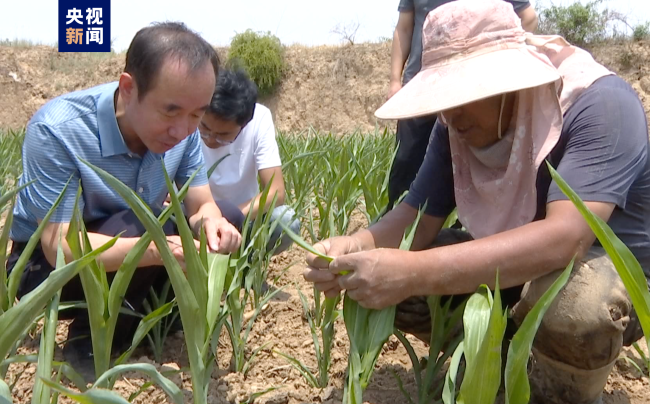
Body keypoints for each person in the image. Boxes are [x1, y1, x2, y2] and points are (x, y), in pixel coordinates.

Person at [304, 1, 649, 403]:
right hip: (514, 271)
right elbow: (414, 218)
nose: (452, 114)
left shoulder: (597, 105)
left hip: (600, 278)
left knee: (578, 308)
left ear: (510, 79)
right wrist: (357, 245)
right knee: (390, 281)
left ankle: (559, 389)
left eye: (464, 95)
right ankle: (501, 363)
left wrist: (411, 271)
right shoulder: (456, 123)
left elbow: (564, 239)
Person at [7, 22, 241, 377]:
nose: (183, 130)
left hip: (134, 240)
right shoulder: (58, 129)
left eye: (197, 114)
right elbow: (59, 248)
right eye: (171, 111)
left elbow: (201, 205)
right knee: (140, 223)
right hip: (46, 268)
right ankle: (90, 338)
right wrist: (160, 248)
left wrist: (214, 224)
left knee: (227, 214)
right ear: (129, 88)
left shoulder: (184, 131)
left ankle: (158, 320)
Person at [386, 0, 538, 209]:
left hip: (475, 89)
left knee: (467, 163)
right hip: (422, 86)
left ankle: (463, 227)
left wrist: (500, 58)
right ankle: (402, 219)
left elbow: (528, 17)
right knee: (406, 164)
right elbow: (404, 27)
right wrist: (395, 80)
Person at [199, 68, 300, 254]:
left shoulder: (259, 119)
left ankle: (248, 272)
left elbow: (276, 192)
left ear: (244, 124)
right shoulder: (191, 114)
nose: (210, 139)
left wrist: (228, 218)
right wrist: (209, 221)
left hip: (243, 218)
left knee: (286, 220)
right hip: (198, 219)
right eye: (204, 128)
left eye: (223, 136)